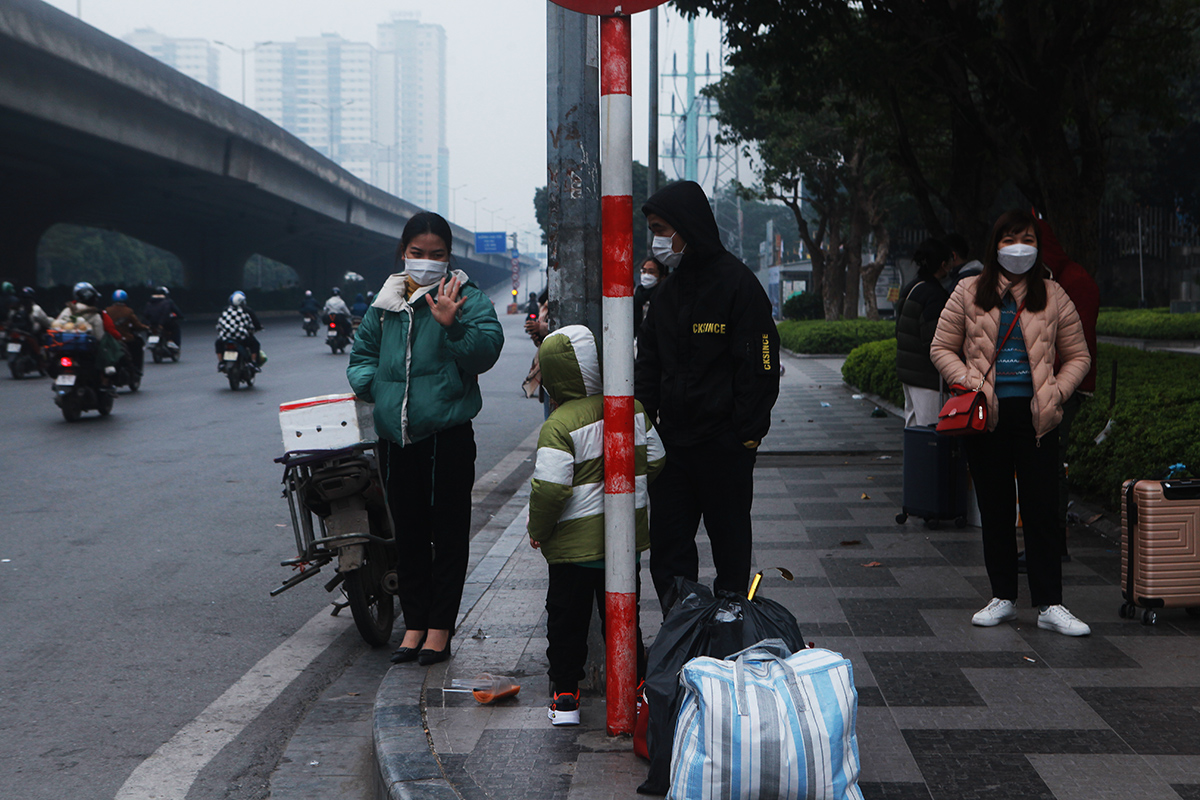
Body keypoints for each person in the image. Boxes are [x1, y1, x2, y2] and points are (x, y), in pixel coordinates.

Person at [347, 211, 504, 666]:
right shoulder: (388, 300)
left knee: (448, 536)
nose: (426, 262)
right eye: (417, 253)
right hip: (396, 439)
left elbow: (486, 352)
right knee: (409, 535)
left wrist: (452, 324)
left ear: (448, 257)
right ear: (403, 252)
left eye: (436, 255)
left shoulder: (466, 297)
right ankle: (413, 624)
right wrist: (375, 388)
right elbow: (362, 356)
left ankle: (440, 628)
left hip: (446, 437)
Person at [930, 209, 1092, 636]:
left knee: (1041, 512)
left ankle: (1050, 604)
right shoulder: (968, 291)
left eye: (1027, 238)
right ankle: (1002, 596)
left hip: (1038, 419)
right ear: (994, 245)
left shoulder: (1053, 294)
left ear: (1038, 246)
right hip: (986, 417)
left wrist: (1057, 392)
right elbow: (941, 347)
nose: (1018, 246)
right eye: (1009, 238)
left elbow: (1079, 355)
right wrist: (968, 381)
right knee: (996, 509)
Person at [634, 180, 781, 610]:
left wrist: (746, 436)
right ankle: (682, 633)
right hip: (673, 451)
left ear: (685, 226)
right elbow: (647, 370)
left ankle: (730, 634)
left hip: (725, 448)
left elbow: (762, 365)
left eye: (662, 229)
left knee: (731, 555)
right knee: (669, 555)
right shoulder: (665, 295)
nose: (658, 241)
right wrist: (643, 429)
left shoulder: (738, 284)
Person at [528, 325, 665, 725]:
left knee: (566, 625)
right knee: (623, 619)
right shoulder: (631, 408)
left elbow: (550, 490)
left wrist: (539, 528)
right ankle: (635, 689)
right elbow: (656, 458)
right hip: (623, 547)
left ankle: (566, 697)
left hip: (571, 552)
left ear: (553, 376)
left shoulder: (558, 424)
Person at [894, 238, 954, 427]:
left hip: (909, 373)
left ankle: (914, 458)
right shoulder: (934, 295)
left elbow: (899, 328)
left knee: (913, 429)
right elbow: (934, 341)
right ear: (943, 265)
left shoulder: (912, 287)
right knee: (930, 431)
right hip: (927, 377)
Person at [215, 291, 264, 367]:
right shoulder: (245, 312)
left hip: (226, 337)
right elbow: (250, 325)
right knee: (255, 344)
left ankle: (221, 362)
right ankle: (253, 362)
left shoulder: (225, 311)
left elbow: (219, 325)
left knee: (218, 343)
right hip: (241, 338)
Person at [106, 289, 149, 374]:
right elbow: (137, 325)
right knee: (137, 345)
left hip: (110, 339)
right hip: (125, 339)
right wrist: (146, 327)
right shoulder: (128, 311)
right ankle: (136, 368)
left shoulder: (107, 310)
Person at [633, 257, 667, 341]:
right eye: (644, 271)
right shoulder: (637, 296)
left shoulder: (664, 298)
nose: (646, 275)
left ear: (662, 276)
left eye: (651, 272)